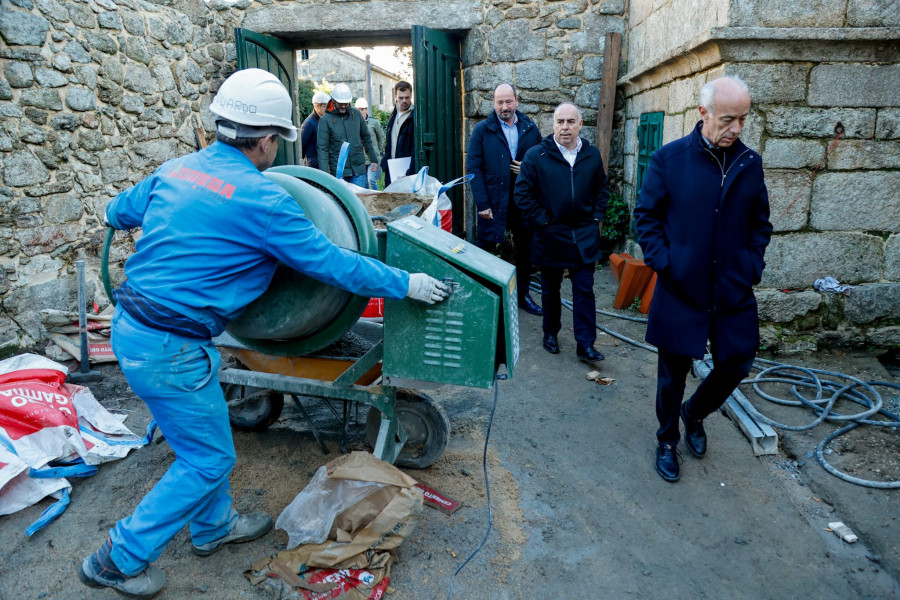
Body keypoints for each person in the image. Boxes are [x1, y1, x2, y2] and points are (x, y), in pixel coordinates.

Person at [77, 68, 449, 599]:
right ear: (269, 139)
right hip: (172, 349)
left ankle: (213, 527)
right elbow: (334, 264)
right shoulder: (265, 201)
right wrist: (405, 283)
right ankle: (117, 559)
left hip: (132, 330)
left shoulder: (176, 169)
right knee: (208, 458)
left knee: (198, 442)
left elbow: (118, 212)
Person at [633, 76, 772, 483]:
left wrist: (750, 266)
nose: (737, 129)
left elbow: (759, 225)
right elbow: (647, 216)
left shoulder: (749, 164)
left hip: (732, 288)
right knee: (671, 374)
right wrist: (666, 262)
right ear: (703, 113)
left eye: (743, 119)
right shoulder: (669, 160)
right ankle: (667, 440)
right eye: (728, 119)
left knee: (737, 362)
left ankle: (695, 413)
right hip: (682, 287)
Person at [515, 102, 608, 364]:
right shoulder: (537, 156)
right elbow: (522, 194)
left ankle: (586, 344)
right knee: (550, 289)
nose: (565, 127)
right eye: (560, 122)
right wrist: (543, 220)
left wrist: (597, 216)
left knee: (584, 290)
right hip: (551, 234)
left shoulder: (591, 155)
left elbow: (602, 188)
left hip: (583, 235)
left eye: (570, 121)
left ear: (580, 125)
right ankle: (550, 334)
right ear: (553, 124)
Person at [467, 83, 543, 316]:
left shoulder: (530, 128)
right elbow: (473, 168)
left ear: (517, 100)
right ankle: (484, 296)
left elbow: (543, 161)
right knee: (486, 248)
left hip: (522, 200)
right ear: (494, 103)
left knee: (525, 251)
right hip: (493, 200)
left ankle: (522, 296)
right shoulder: (482, 130)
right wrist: (482, 203)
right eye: (500, 102)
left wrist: (528, 168)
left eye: (508, 101)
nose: (504, 107)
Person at [316, 83, 380, 187]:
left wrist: (373, 158)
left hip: (358, 169)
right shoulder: (325, 120)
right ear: (333, 101)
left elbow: (366, 137)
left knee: (359, 200)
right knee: (341, 202)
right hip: (339, 172)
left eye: (346, 103)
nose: (343, 106)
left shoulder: (356, 114)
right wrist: (325, 175)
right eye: (340, 103)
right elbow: (322, 148)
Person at [379, 80, 415, 186]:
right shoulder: (393, 115)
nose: (404, 101)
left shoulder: (414, 117)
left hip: (407, 173)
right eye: (401, 98)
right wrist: (385, 163)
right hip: (391, 172)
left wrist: (409, 172)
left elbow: (415, 148)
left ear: (411, 95)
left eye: (407, 97)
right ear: (395, 96)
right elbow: (389, 143)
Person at [355, 97, 385, 190]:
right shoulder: (353, 123)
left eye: (364, 109)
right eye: (359, 109)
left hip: (372, 157)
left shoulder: (374, 122)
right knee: (364, 184)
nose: (362, 111)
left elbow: (381, 137)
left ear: (366, 109)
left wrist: (378, 152)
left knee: (371, 180)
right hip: (360, 158)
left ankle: (376, 199)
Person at [300, 90, 329, 168]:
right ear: (317, 106)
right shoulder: (308, 124)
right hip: (313, 169)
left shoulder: (323, 120)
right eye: (324, 106)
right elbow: (301, 149)